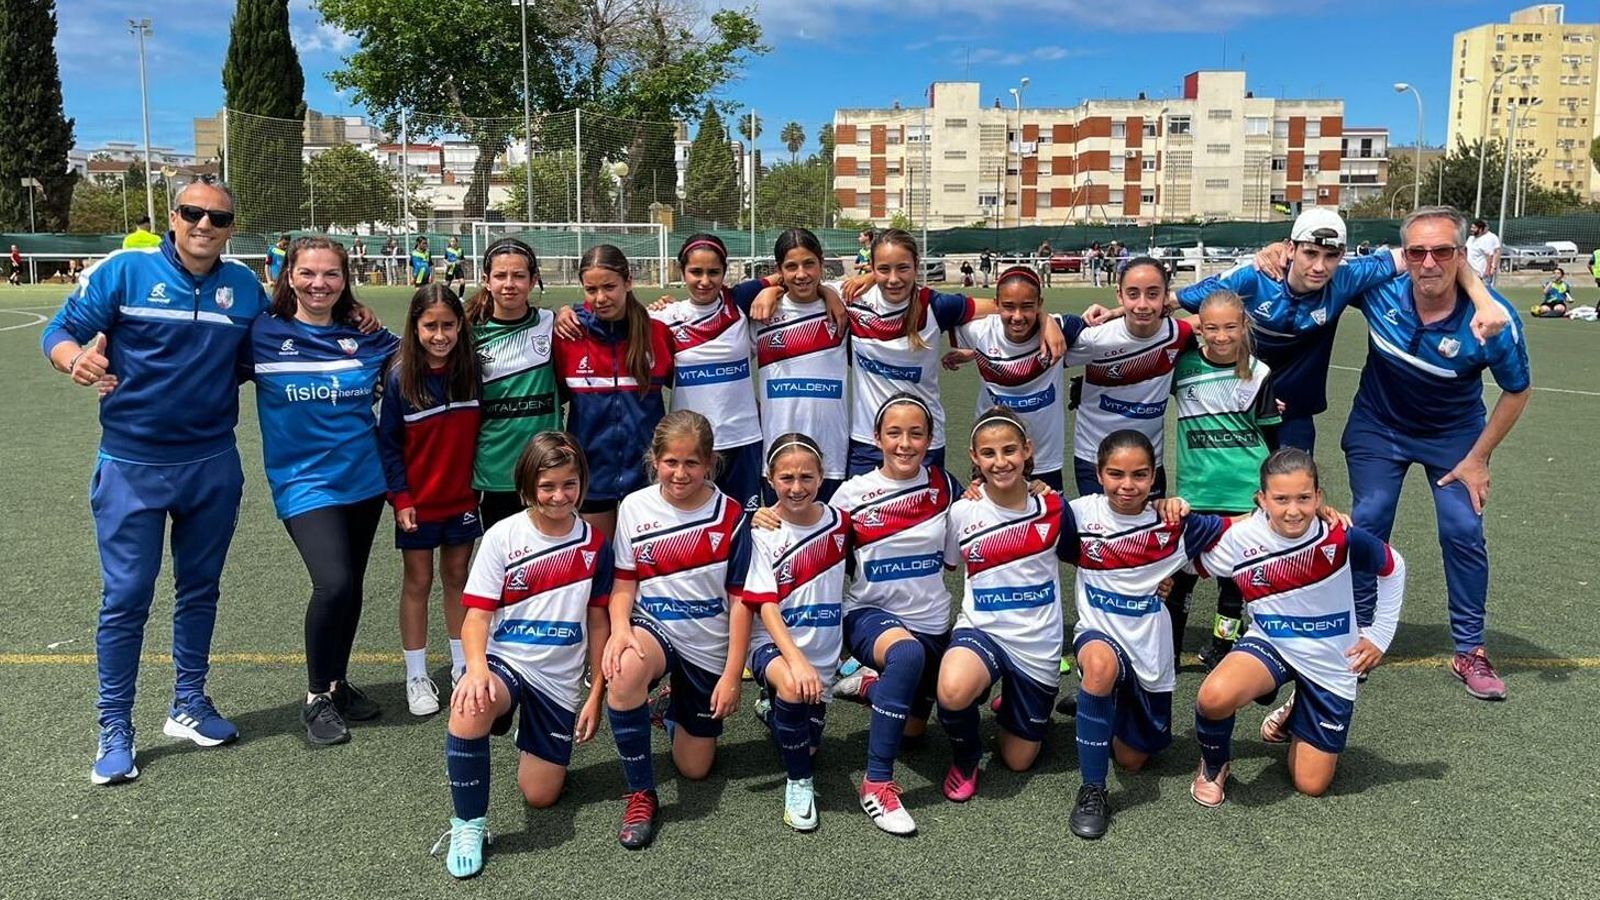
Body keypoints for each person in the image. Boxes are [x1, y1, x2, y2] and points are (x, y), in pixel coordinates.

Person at [42, 181, 263, 784]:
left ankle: (188, 703)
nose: (204, 224)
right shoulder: (126, 272)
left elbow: (262, 354)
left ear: (229, 227)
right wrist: (75, 360)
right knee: (126, 598)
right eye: (193, 213)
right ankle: (114, 726)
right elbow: (57, 333)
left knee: (200, 589)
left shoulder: (244, 287)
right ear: (173, 217)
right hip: (131, 467)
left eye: (218, 217)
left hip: (213, 465)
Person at [1129, 207, 1506, 453]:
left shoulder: (1348, 277)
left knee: (1294, 501)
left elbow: (1430, 254)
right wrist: (1110, 314)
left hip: (1295, 412)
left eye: (1331, 256)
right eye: (1310, 253)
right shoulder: (1254, 277)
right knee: (1236, 502)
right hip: (1239, 407)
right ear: (1290, 249)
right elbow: (1166, 302)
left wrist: (1483, 298)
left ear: (1342, 256)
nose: (1320, 266)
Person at [1342, 206, 1530, 701]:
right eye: (1418, 251)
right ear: (1404, 255)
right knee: (1370, 517)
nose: (1429, 262)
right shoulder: (1378, 290)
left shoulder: (1494, 320)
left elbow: (1517, 391)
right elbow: (1318, 273)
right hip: (1377, 429)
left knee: (1463, 530)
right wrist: (1278, 254)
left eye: (1443, 251)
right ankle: (1361, 629)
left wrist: (1479, 457)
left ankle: (1470, 649)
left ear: (1461, 257)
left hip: (1455, 437)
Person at [433, 432, 612, 878]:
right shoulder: (502, 536)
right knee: (469, 704)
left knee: (540, 795)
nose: (558, 496)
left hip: (558, 680)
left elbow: (597, 622)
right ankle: (469, 823)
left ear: (582, 484)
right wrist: (475, 672)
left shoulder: (594, 545)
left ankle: (528, 731)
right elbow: (476, 618)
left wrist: (596, 695)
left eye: (568, 485)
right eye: (547, 486)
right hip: (506, 664)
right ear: (528, 485)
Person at [245, 236, 401, 745]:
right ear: (289, 275)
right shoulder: (261, 335)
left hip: (363, 478)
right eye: (308, 273)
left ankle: (337, 683)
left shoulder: (368, 337)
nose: (319, 284)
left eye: (330, 274)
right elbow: (199, 365)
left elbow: (428, 350)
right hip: (303, 483)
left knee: (352, 585)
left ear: (345, 280)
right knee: (331, 582)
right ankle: (315, 697)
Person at [1191, 449, 1406, 806]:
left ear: (1319, 497)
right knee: (1214, 697)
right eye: (1281, 499)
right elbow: (1187, 560)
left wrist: (1379, 635)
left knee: (1311, 784)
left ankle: (1297, 710)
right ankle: (1214, 765)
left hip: (1330, 659)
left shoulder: (1338, 534)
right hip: (1272, 644)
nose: (1293, 510)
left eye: (1304, 498)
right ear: (1262, 500)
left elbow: (1393, 567)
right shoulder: (1241, 537)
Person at [1060, 430, 1228, 840]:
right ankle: (1093, 789)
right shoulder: (1078, 514)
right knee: (1098, 667)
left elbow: (1243, 526)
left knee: (1133, 760)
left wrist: (1315, 515)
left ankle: (1104, 703)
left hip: (1150, 647)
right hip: (1098, 635)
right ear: (1099, 474)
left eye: (1139, 475)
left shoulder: (1174, 523)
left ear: (1155, 477)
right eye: (1115, 474)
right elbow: (1016, 507)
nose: (1127, 485)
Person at [601, 411, 752, 850]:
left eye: (691, 463)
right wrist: (618, 630)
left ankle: (672, 708)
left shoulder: (732, 515)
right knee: (626, 670)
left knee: (695, 768)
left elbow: (742, 601)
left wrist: (731, 674)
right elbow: (624, 583)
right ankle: (641, 793)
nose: (680, 473)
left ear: (710, 464)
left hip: (709, 642)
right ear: (654, 459)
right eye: (670, 462)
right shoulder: (635, 507)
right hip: (655, 627)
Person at [826, 394, 960, 836]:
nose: (905, 444)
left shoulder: (947, 486)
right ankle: (877, 783)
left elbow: (1002, 504)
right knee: (905, 656)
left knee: (916, 731)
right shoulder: (851, 493)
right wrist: (769, 517)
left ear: (931, 439)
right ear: (876, 438)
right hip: (869, 614)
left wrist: (1034, 488)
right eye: (895, 433)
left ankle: (870, 685)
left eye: (916, 433)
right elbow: (807, 527)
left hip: (933, 625)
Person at [843, 228, 1065, 476]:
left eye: (903, 268)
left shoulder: (937, 306)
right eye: (883, 269)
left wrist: (1046, 320)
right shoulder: (853, 300)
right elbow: (803, 287)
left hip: (923, 439)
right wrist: (869, 280)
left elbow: (1001, 306)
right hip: (867, 439)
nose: (893, 279)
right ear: (871, 268)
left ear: (916, 266)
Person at [937, 410, 1066, 802]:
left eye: (1010, 450)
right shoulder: (962, 511)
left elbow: (1101, 550)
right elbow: (949, 564)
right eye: (989, 453)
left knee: (1018, 760)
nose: (1001, 462)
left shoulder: (1055, 507)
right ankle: (966, 756)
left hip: (1037, 642)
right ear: (974, 458)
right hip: (983, 629)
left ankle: (1012, 698)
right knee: (953, 691)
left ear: (1028, 450)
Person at [377, 284, 483, 715]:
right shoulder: (402, 377)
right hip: (418, 504)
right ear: (415, 327)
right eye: (430, 326)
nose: (439, 335)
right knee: (418, 582)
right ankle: (416, 674)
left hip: (461, 500)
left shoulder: (472, 372)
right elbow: (388, 445)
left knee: (459, 577)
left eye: (448, 325)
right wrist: (401, 499)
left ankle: (462, 664)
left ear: (460, 326)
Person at [739, 434, 850, 831]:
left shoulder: (840, 522)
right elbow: (765, 605)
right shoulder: (762, 532)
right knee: (791, 686)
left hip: (823, 650)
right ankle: (799, 784)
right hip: (773, 643)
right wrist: (796, 660)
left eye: (807, 476)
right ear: (770, 479)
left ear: (823, 477)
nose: (796, 487)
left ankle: (773, 710)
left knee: (810, 743)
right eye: (786, 478)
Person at [1165, 291, 1280, 669]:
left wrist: (1267, 494)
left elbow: (1271, 440)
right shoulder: (1183, 369)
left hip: (1243, 495)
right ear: (1200, 327)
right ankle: (1171, 644)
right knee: (1181, 578)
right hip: (1195, 494)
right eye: (1210, 327)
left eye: (1230, 326)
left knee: (1232, 582)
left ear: (1243, 325)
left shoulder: (1259, 373)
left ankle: (1222, 645)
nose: (1220, 335)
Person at [644, 233, 774, 512]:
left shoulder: (739, 303)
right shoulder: (663, 317)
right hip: (690, 445)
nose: (705, 281)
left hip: (742, 438)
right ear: (682, 272)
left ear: (725, 272)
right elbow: (612, 311)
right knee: (692, 522)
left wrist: (772, 290)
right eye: (696, 272)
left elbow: (789, 275)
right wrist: (571, 310)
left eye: (713, 272)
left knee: (743, 524)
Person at [555, 244, 673, 538]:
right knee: (600, 567)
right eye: (590, 289)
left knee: (648, 566)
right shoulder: (569, 335)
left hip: (648, 474)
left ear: (628, 281)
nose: (600, 298)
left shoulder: (656, 332)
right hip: (592, 473)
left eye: (609, 287)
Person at [1065, 256, 1192, 497]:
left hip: (1149, 461)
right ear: (1119, 296)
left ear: (1166, 296)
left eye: (1153, 294)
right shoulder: (1096, 338)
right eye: (1133, 294)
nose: (1142, 304)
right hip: (1095, 457)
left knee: (1147, 532)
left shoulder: (1179, 334)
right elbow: (1045, 359)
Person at [946, 265, 1075, 489]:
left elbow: (1092, 325)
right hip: (995, 455)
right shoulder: (979, 331)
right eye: (1008, 307)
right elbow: (942, 311)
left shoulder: (1058, 331)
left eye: (1027, 307)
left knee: (1049, 520)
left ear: (1039, 305)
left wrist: (1048, 320)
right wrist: (973, 353)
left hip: (1044, 459)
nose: (1017, 316)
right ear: (996, 305)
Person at [749, 230, 852, 503]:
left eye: (809, 264)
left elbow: (881, 277)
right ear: (778, 270)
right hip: (776, 454)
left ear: (821, 263)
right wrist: (770, 290)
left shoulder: (843, 306)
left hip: (831, 452)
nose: (802, 274)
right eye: (791, 266)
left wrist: (829, 292)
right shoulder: (761, 313)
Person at [466, 239, 560, 528]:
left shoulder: (552, 323)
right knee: (505, 561)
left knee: (550, 560)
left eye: (519, 276)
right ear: (486, 280)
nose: (510, 284)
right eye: (500, 276)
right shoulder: (469, 335)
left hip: (548, 464)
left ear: (533, 280)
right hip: (496, 470)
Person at [1465, 218, 1501, 285]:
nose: (1471, 229)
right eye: (1471, 227)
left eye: (1474, 228)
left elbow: (1490, 255)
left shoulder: (1486, 239)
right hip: (1469, 271)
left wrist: (1490, 269)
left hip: (1479, 273)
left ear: (1481, 229)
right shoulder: (1470, 238)